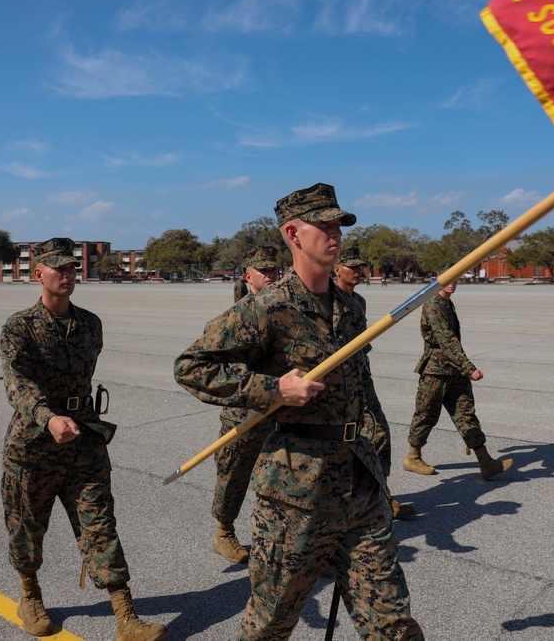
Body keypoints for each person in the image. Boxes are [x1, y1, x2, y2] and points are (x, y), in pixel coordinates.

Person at [175, 183, 423, 640]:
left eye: (338, 225)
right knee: (271, 622)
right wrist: (273, 389)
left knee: (393, 624)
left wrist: (376, 439)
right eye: (323, 225)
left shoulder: (352, 306)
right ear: (293, 232)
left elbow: (359, 380)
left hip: (359, 484)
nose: (336, 234)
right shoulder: (266, 308)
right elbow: (191, 368)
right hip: (296, 492)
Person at [0, 237, 168, 641]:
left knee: (100, 525)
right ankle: (30, 595)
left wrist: (74, 416)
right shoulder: (19, 327)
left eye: (73, 268)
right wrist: (48, 416)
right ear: (38, 273)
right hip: (33, 446)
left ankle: (126, 617)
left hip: (84, 440)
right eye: (59, 269)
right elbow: (17, 383)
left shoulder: (90, 324)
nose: (68, 275)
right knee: (27, 526)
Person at [210, 244, 281, 564]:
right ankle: (224, 533)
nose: (270, 275)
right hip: (244, 412)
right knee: (233, 475)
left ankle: (287, 545)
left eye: (273, 270)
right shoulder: (236, 317)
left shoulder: (284, 310)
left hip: (280, 411)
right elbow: (216, 369)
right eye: (263, 270)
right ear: (247, 275)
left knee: (282, 482)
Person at [402, 278, 513, 480]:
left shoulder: (446, 303)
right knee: (426, 415)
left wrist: (462, 368)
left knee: (466, 414)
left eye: (455, 279)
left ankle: (485, 461)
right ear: (438, 281)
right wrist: (468, 367)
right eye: (448, 279)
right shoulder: (433, 304)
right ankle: (412, 457)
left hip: (454, 371)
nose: (452, 283)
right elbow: (446, 339)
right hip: (436, 371)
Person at [334, 247, 415, 519]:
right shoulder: (327, 301)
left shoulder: (359, 300)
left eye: (361, 267)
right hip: (338, 382)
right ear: (337, 270)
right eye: (352, 267)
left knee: (379, 434)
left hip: (361, 378)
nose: (358, 272)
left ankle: (381, 497)